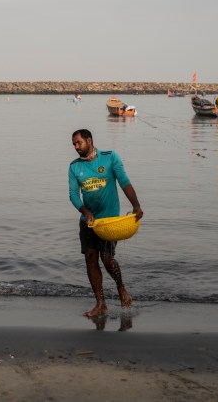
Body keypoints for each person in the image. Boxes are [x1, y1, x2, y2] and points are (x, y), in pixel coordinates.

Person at [68, 128, 143, 318]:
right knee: (91, 260)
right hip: (88, 222)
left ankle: (121, 288)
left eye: (79, 143)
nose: (76, 147)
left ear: (90, 140)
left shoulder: (110, 157)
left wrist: (136, 205)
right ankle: (100, 304)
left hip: (109, 222)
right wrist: (85, 212)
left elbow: (124, 182)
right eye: (74, 144)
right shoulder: (74, 167)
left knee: (107, 259)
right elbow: (73, 195)